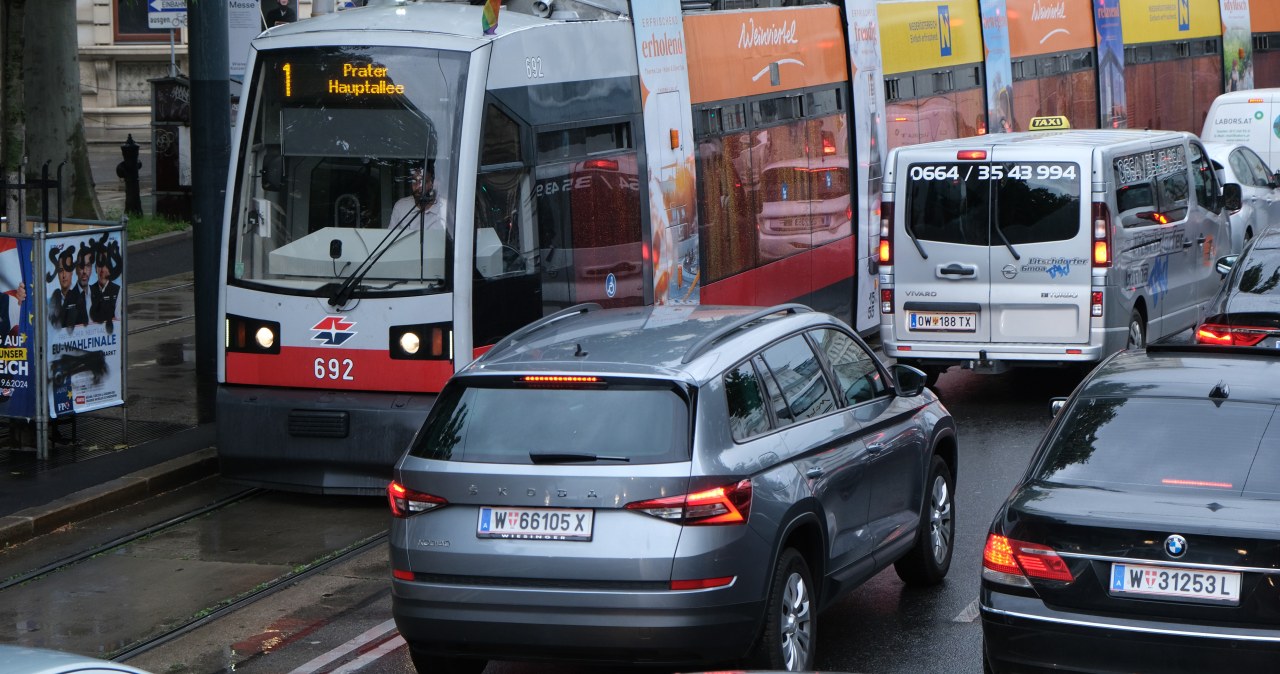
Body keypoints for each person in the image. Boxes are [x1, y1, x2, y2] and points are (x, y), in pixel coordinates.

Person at [387, 165, 448, 234]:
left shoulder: (445, 209)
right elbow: (391, 237)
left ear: (433, 184)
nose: (418, 186)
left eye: (423, 182)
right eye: (414, 181)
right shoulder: (401, 206)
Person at [50, 248, 86, 330]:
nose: (64, 275)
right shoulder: (54, 299)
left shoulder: (81, 296)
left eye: (67, 269)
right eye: (61, 270)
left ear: (72, 271)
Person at [90, 253, 121, 331]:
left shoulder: (118, 290)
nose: (102, 270)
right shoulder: (89, 290)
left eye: (106, 266)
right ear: (95, 269)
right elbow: (89, 320)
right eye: (100, 265)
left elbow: (118, 318)